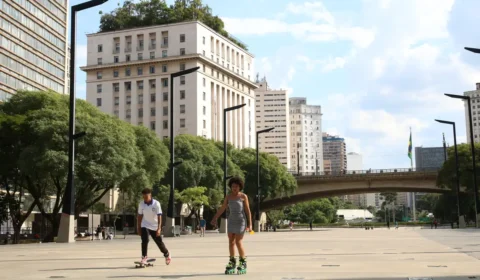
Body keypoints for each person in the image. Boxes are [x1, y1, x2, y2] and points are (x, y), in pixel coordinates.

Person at [211, 176, 252, 275]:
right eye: (233, 186)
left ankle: (243, 262)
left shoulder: (243, 196)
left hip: (241, 221)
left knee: (238, 242)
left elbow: (247, 210)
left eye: (236, 186)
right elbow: (223, 208)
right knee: (231, 242)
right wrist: (215, 217)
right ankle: (232, 261)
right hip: (231, 221)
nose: (234, 188)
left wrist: (250, 224)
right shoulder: (228, 197)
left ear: (240, 187)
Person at [137, 188, 171, 266]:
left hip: (155, 225)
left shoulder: (156, 204)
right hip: (145, 224)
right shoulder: (141, 204)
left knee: (159, 242)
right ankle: (144, 257)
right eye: (143, 197)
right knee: (145, 239)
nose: (145, 199)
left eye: (146, 197)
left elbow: (159, 216)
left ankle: (167, 254)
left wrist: (159, 228)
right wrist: (138, 228)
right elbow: (139, 216)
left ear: (150, 195)